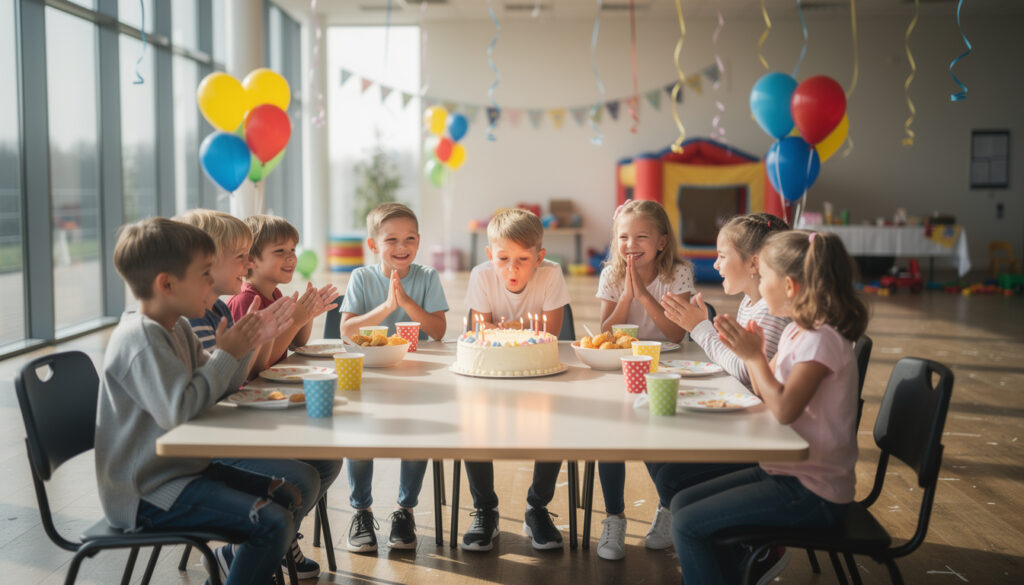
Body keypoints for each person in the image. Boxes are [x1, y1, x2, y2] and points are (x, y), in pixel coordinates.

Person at [95, 218, 299, 585]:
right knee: (273, 522)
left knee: (287, 494)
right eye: (205, 274)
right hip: (147, 491)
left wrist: (244, 346)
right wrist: (228, 354)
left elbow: (219, 388)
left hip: (183, 470)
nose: (211, 284)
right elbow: (182, 411)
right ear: (167, 284)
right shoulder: (142, 340)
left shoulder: (177, 327)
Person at [671, 230, 869, 585]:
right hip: (785, 471)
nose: (760, 289)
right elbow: (767, 393)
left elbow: (783, 411)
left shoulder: (821, 341)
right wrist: (756, 355)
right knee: (682, 504)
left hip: (813, 491)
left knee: (687, 525)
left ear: (790, 287)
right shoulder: (799, 332)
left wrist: (754, 358)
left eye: (765, 279)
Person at [177, 209, 343, 580]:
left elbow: (236, 377)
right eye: (241, 255)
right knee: (299, 480)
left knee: (328, 462)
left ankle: (259, 551)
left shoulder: (216, 308)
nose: (248, 262)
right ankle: (255, 551)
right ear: (205, 262)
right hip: (202, 447)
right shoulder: (190, 319)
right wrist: (255, 341)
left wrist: (264, 335)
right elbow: (218, 389)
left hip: (227, 425)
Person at [642, 213, 791, 555]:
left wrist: (701, 328)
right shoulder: (752, 303)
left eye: (723, 256)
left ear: (754, 264)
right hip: (751, 421)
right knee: (652, 437)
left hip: (760, 436)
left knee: (668, 474)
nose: (717, 264)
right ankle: (685, 514)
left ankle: (745, 541)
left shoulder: (770, 311)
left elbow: (745, 372)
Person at [337, 203, 449, 552]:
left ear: (419, 241)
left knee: (415, 439)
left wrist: (407, 302)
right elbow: (346, 331)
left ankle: (405, 510)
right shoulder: (361, 277)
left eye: (410, 239)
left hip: (417, 375)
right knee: (360, 439)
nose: (402, 247)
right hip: (370, 374)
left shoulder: (427, 276)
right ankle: (361, 510)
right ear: (373, 245)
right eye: (392, 240)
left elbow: (439, 331)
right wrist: (387, 307)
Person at [460, 208, 571, 552]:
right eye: (503, 258)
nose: (512, 268)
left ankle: (537, 508)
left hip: (541, 370)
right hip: (489, 371)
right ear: (490, 254)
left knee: (554, 423)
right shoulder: (481, 275)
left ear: (540, 257)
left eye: (523, 258)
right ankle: (485, 509)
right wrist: (518, 329)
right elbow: (481, 332)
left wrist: (505, 328)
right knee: (472, 423)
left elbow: (551, 332)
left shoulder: (551, 275)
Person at [592, 199, 696, 560]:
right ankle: (614, 517)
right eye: (623, 237)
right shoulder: (612, 274)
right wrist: (626, 295)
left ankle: (667, 507)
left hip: (666, 367)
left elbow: (677, 334)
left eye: (641, 237)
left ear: (662, 242)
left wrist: (646, 296)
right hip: (623, 366)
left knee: (657, 435)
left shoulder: (678, 273)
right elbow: (606, 332)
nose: (630, 245)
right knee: (610, 437)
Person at [227, 214, 337, 367]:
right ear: (251, 259)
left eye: (293, 249)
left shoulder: (275, 295)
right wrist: (296, 320)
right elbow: (258, 365)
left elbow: (295, 343)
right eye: (280, 251)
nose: (291, 256)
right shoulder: (245, 301)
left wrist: (306, 316)